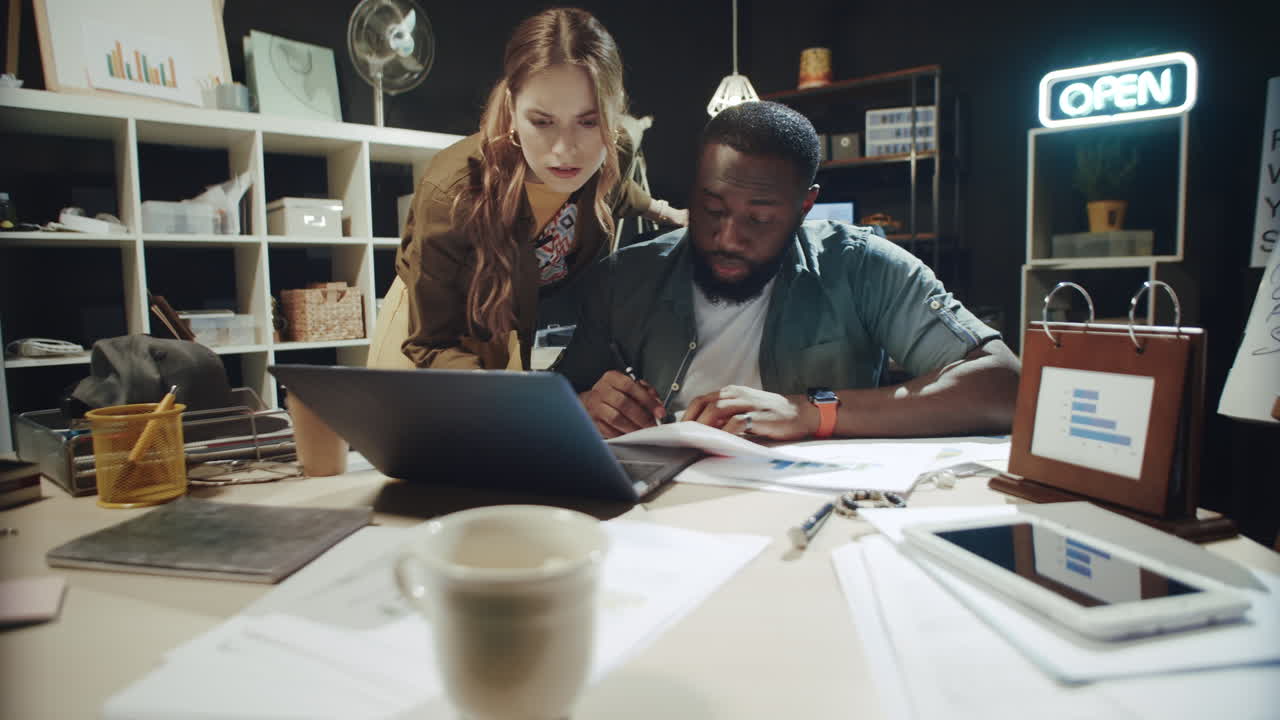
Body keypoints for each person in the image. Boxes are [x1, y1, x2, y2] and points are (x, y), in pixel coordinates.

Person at [556, 100, 1021, 440]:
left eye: (759, 218)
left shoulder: (861, 266)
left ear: (805, 206)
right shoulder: (624, 278)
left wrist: (812, 412)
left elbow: (1003, 385)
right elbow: (552, 399)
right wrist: (586, 407)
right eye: (712, 208)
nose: (729, 236)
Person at [368, 7, 686, 371]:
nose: (565, 150)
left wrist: (666, 213)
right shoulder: (452, 192)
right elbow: (431, 343)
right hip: (433, 343)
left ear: (615, 114)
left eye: (588, 121)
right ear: (512, 108)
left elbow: (617, 189)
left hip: (509, 331)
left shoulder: (610, 153)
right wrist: (500, 405)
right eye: (542, 121)